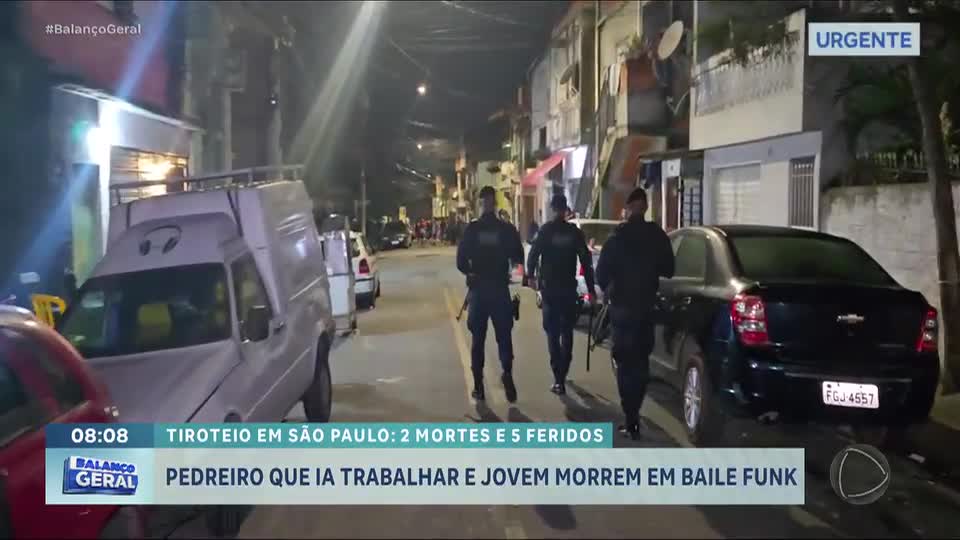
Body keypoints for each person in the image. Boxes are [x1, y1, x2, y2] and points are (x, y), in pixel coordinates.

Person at [596, 187, 674, 439]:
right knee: (641, 363)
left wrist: (610, 286)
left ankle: (630, 417)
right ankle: (635, 414)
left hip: (622, 310)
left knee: (624, 362)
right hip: (646, 309)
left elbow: (601, 274)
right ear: (646, 208)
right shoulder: (657, 236)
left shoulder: (617, 237)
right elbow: (669, 269)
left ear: (628, 208)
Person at [457, 186, 524, 402]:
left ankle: (478, 386)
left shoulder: (473, 229)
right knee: (504, 337)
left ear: (481, 203)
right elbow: (518, 256)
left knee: (478, 339)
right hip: (499, 289)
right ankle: (507, 372)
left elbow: (460, 261)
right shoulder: (506, 229)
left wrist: (470, 272)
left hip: (479, 291)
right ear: (494, 203)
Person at [526, 194, 595, 395]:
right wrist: (591, 290)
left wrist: (530, 276)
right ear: (565, 210)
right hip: (567, 290)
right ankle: (562, 372)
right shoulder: (573, 233)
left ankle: (559, 377)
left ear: (553, 209)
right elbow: (586, 262)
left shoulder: (546, 231)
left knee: (553, 333)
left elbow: (533, 255)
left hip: (550, 291)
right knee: (567, 332)